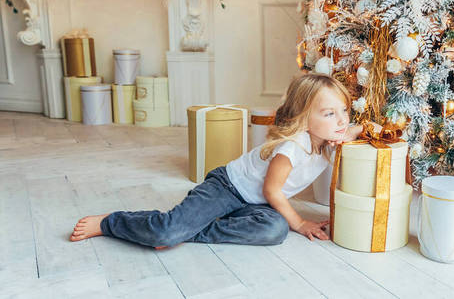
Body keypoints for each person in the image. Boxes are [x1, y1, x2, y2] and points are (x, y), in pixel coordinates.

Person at [70, 73, 369, 248]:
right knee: (164, 232)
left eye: (343, 111)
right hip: (227, 187)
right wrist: (301, 222)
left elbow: (353, 131)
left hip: (256, 204)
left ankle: (188, 231)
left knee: (274, 231)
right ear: (304, 119)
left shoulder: (329, 140)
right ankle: (111, 223)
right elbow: (272, 191)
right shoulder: (293, 146)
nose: (342, 120)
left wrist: (364, 128)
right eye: (330, 114)